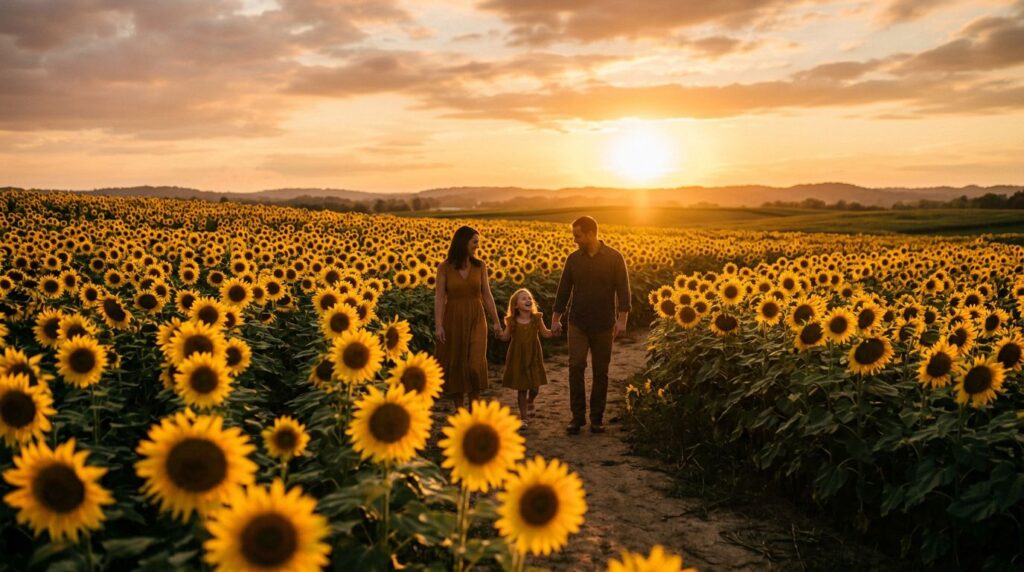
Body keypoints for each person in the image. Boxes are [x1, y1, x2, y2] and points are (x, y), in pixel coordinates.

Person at [551, 216, 631, 435]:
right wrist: (556, 318)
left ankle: (596, 418)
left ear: (590, 234)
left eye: (577, 236)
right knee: (576, 367)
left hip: (604, 323)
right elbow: (563, 290)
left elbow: (623, 290)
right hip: (577, 322)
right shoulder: (573, 259)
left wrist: (622, 320)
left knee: (600, 371)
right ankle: (577, 417)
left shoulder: (614, 258)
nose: (574, 240)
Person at [434, 226, 504, 410]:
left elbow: (487, 295)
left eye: (478, 242)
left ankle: (474, 407)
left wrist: (496, 321)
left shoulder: (480, 266)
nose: (477, 246)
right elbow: (440, 297)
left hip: (476, 317)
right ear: (462, 242)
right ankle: (460, 410)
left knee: (475, 364)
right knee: (456, 362)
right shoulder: (444, 267)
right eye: (474, 242)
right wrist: (439, 325)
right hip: (453, 318)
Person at [498, 288, 552, 429]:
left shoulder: (536, 319)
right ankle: (524, 418)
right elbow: (505, 337)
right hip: (518, 357)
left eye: (529, 298)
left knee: (535, 387)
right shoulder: (512, 322)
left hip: (533, 356)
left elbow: (546, 334)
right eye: (523, 298)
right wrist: (498, 333)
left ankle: (531, 400)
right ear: (516, 305)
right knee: (522, 388)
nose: (528, 300)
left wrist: (555, 331)